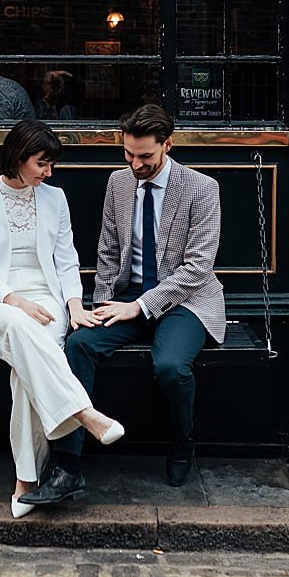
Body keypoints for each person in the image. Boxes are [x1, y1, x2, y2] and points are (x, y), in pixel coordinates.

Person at [22, 103, 224, 504]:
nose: (135, 164)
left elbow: (198, 268)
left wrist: (140, 307)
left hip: (185, 300)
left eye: (145, 156)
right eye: (128, 154)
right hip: (125, 296)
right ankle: (68, 465)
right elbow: (109, 252)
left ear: (168, 144)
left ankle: (183, 441)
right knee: (78, 345)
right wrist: (101, 305)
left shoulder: (202, 189)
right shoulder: (118, 183)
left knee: (170, 366)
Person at [0, 120, 126, 518]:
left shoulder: (55, 198)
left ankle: (26, 481)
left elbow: (67, 259)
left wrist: (73, 306)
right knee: (20, 326)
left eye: (51, 166)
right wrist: (14, 300)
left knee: (25, 373)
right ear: (18, 158)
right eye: (41, 164)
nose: (48, 172)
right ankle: (86, 416)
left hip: (47, 300)